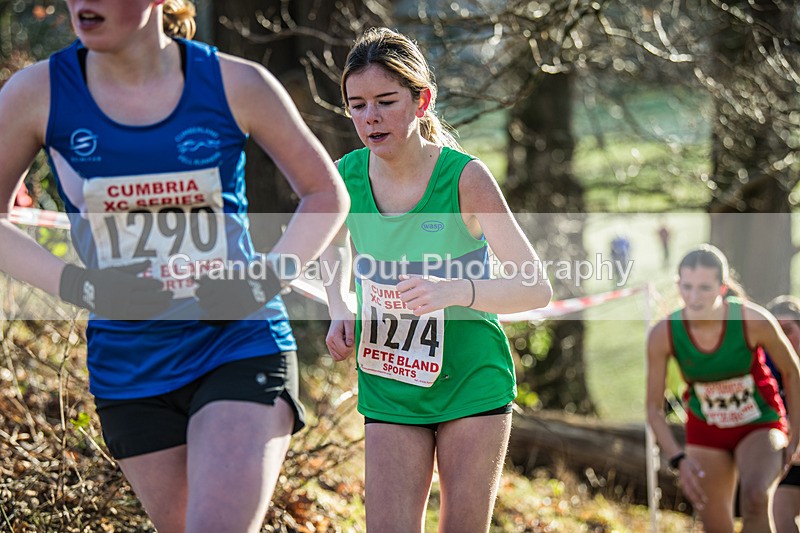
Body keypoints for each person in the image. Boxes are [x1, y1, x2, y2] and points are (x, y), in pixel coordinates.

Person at [0, 1, 349, 532]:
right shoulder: (37, 93)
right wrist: (81, 286)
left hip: (236, 342)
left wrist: (262, 279)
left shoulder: (235, 83)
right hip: (129, 365)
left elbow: (325, 194)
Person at [323, 27, 552, 532]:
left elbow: (535, 286)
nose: (371, 118)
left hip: (470, 381)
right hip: (390, 381)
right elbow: (333, 246)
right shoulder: (346, 177)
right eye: (357, 105)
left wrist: (456, 290)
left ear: (421, 100)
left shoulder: (464, 179)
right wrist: (340, 304)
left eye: (386, 101)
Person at [646, 244, 800, 532]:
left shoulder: (752, 320)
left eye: (704, 288)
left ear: (722, 287)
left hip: (759, 423)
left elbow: (793, 371)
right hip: (707, 430)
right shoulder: (663, 333)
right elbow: (653, 408)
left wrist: (795, 432)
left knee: (756, 498)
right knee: (716, 524)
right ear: (678, 285)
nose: (694, 297)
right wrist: (678, 458)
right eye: (687, 287)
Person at [766, 296, 800, 532]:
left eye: (788, 330)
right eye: (776, 333)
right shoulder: (766, 368)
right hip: (789, 458)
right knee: (779, 514)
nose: (783, 340)